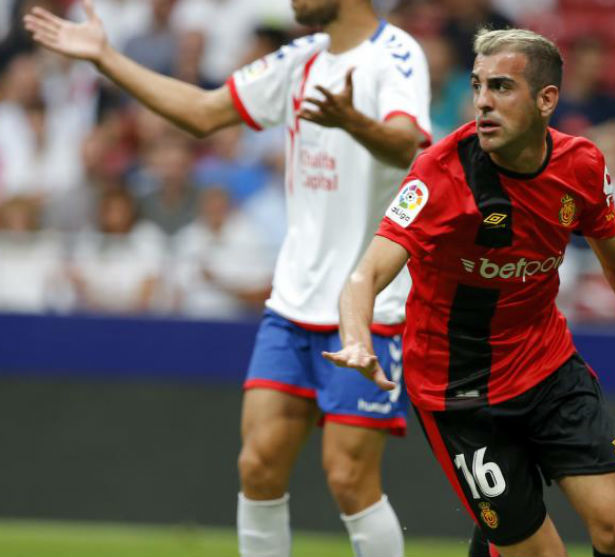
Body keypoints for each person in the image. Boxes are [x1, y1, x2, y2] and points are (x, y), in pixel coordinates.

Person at [24, 1, 430, 556]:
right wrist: (105, 57)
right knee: (258, 466)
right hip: (292, 302)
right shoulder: (300, 57)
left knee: (349, 480)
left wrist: (351, 120)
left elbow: (408, 142)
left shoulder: (396, 54)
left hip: (366, 308)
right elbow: (202, 111)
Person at [325, 28, 615, 557]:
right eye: (477, 86)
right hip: (458, 391)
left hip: (547, 368)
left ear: (546, 100)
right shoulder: (439, 175)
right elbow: (366, 274)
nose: (482, 103)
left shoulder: (582, 166)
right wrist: (357, 338)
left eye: (501, 87)